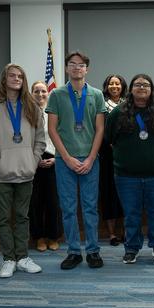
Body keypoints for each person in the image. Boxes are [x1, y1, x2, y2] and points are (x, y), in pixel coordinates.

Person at [0, 64, 45, 278]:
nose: (16, 79)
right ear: (4, 79)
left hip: (26, 172)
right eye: (12, 75)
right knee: (3, 219)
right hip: (1, 175)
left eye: (20, 76)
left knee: (22, 217)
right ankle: (8, 259)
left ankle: (23, 257)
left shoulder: (32, 106)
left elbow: (40, 141)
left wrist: (32, 162)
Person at [105, 74, 154, 264]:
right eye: (137, 85)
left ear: (151, 88)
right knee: (131, 214)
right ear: (130, 89)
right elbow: (110, 137)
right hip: (127, 176)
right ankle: (131, 248)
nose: (141, 88)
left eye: (145, 85)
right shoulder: (118, 112)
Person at [46, 52, 107, 270]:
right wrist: (66, 157)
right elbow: (52, 129)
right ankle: (73, 251)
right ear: (66, 68)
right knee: (69, 208)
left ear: (87, 69)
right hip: (65, 160)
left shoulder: (97, 94)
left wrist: (91, 158)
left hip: (90, 160)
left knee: (90, 207)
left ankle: (92, 251)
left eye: (81, 65)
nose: (76, 68)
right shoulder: (57, 95)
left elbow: (100, 129)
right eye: (72, 64)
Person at [28, 81, 61, 252]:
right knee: (35, 202)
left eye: (43, 91)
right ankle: (39, 237)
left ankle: (53, 236)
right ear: (31, 93)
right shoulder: (26, 114)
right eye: (36, 91)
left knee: (53, 202)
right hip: (32, 161)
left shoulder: (54, 113)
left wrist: (57, 158)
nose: (40, 94)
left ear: (48, 93)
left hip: (53, 159)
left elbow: (63, 138)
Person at [100, 74, 127, 246]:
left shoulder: (129, 104)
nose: (114, 86)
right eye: (111, 83)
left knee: (126, 193)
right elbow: (99, 128)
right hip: (107, 155)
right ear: (107, 86)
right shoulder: (101, 105)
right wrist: (109, 143)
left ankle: (126, 231)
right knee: (109, 192)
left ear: (122, 86)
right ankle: (111, 234)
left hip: (126, 155)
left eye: (117, 83)